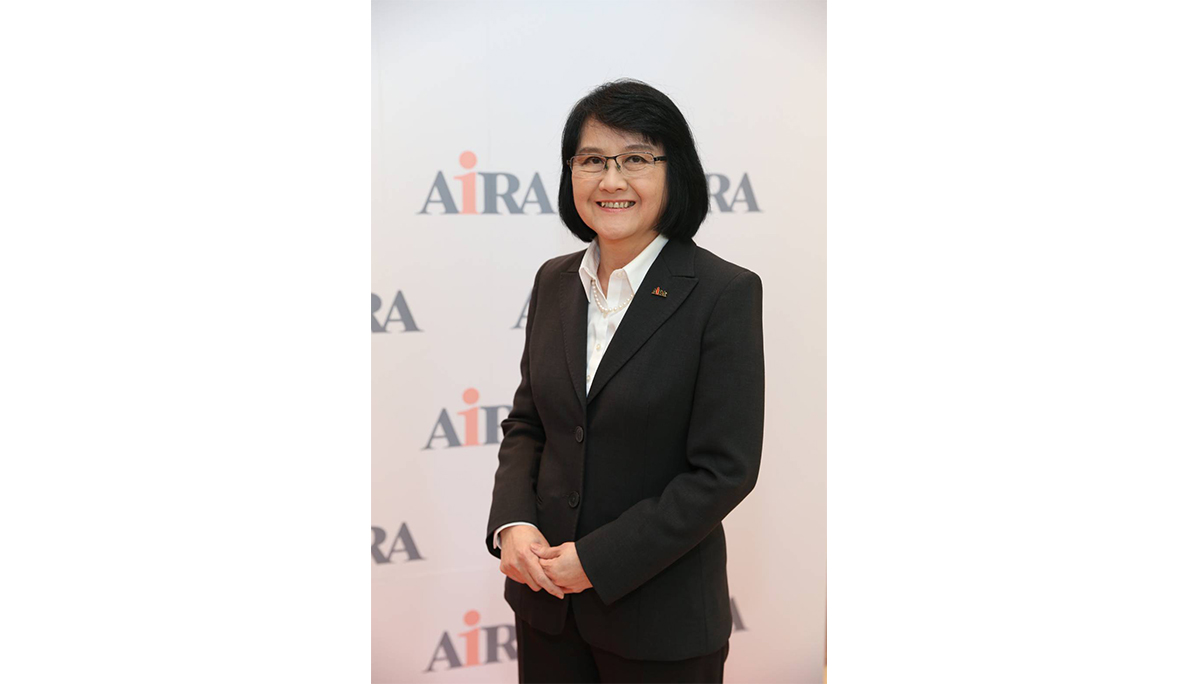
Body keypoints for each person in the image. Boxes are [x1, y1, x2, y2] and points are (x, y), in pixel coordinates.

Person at [485, 78, 765, 683]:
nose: (611, 181)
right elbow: (529, 422)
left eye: (636, 159)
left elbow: (724, 470)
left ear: (674, 171)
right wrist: (513, 524)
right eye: (591, 161)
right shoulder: (555, 280)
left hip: (660, 624)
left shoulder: (724, 293)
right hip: (546, 607)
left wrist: (596, 560)